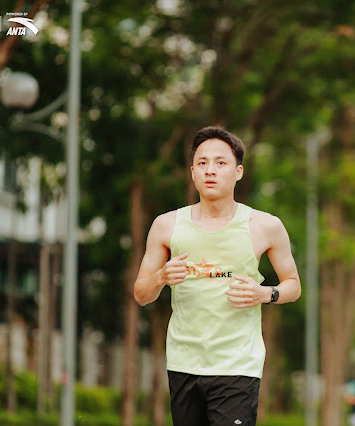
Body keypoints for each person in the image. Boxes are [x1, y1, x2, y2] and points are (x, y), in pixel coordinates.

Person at [133, 125, 301, 426]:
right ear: (193, 172)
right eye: (202, 163)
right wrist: (160, 277)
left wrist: (266, 293)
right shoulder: (166, 225)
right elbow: (141, 294)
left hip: (238, 364)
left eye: (221, 162)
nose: (210, 170)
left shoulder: (265, 226)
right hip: (184, 362)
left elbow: (293, 285)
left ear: (238, 171)